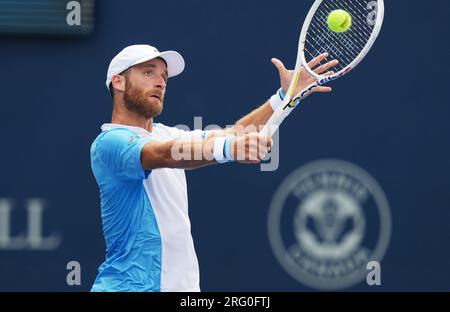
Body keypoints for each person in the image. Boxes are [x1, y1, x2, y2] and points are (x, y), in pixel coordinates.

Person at [90, 44, 336, 292]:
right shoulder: (110, 143)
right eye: (148, 73)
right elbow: (164, 154)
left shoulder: (166, 134)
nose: (161, 82)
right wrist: (229, 149)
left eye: (164, 76)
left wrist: (283, 98)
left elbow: (234, 133)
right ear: (118, 82)